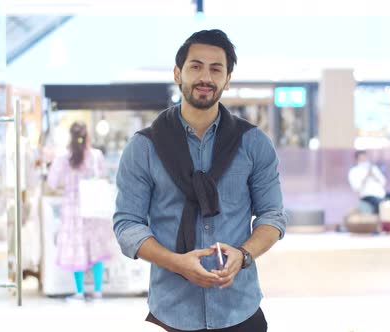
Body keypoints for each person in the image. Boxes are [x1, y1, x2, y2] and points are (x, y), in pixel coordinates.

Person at [113, 29, 287, 332]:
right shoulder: (144, 146)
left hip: (239, 308)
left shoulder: (254, 143)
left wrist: (243, 255)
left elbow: (273, 216)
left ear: (228, 79)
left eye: (216, 69)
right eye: (195, 66)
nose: (205, 77)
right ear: (178, 73)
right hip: (172, 310)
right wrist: (174, 262)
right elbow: (127, 224)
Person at [47, 121, 114, 301]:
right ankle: (98, 291)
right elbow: (103, 178)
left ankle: (79, 292)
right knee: (95, 248)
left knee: (77, 249)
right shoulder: (96, 156)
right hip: (93, 207)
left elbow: (52, 182)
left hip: (72, 209)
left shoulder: (63, 157)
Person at [347, 150, 390, 214]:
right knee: (380, 204)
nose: (364, 160)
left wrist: (374, 176)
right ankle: (382, 222)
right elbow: (357, 188)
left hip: (380, 194)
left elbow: (383, 182)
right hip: (367, 195)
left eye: (364, 158)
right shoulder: (354, 171)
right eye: (361, 158)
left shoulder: (373, 168)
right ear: (357, 159)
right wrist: (366, 177)